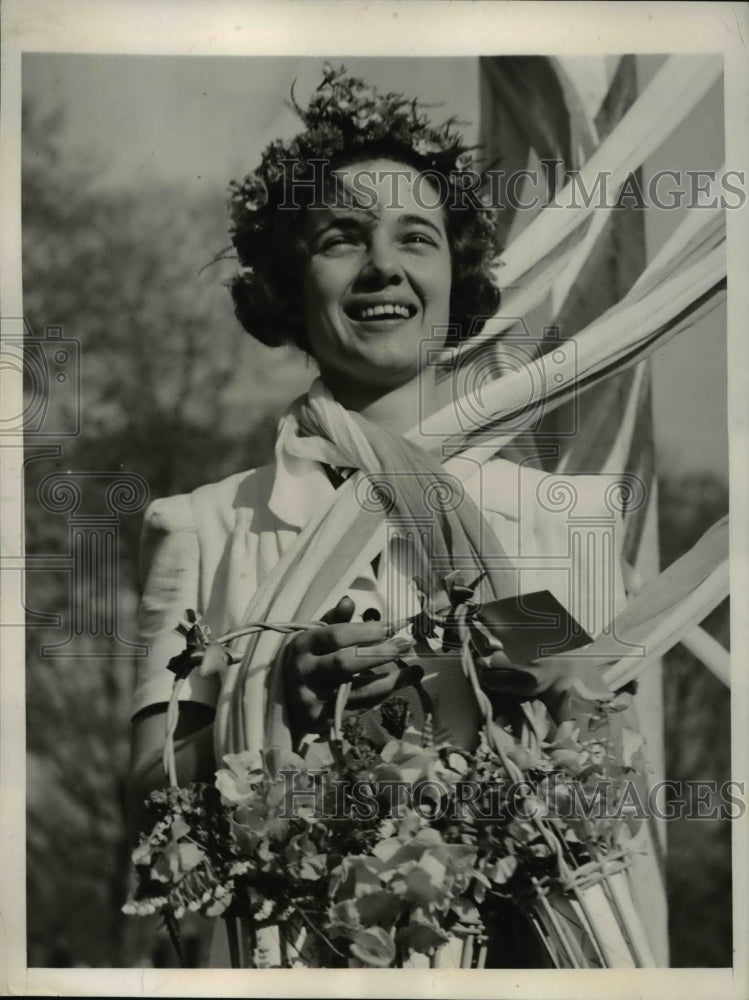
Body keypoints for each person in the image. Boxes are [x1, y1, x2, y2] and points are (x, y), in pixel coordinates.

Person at [128, 64, 665, 967]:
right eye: (342, 238)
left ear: (456, 277)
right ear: (287, 283)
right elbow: (148, 804)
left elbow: (615, 798)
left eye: (415, 237)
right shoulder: (205, 527)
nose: (382, 265)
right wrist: (271, 704)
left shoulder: (559, 517)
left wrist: (548, 667)